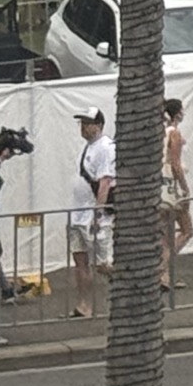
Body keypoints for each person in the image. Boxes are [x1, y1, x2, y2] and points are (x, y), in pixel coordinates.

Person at [68, 108, 115, 320]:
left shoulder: (105, 148)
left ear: (98, 125)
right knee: (80, 261)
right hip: (78, 214)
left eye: (88, 123)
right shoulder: (88, 148)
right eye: (82, 123)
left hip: (92, 216)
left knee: (102, 263)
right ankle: (83, 305)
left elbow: (105, 182)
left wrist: (98, 213)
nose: (84, 127)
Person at [158, 97, 193, 288]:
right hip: (173, 188)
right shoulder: (174, 134)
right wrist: (185, 189)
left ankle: (164, 277)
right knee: (187, 230)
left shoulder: (161, 133)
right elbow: (176, 165)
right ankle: (161, 271)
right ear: (177, 113)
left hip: (161, 186)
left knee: (165, 236)